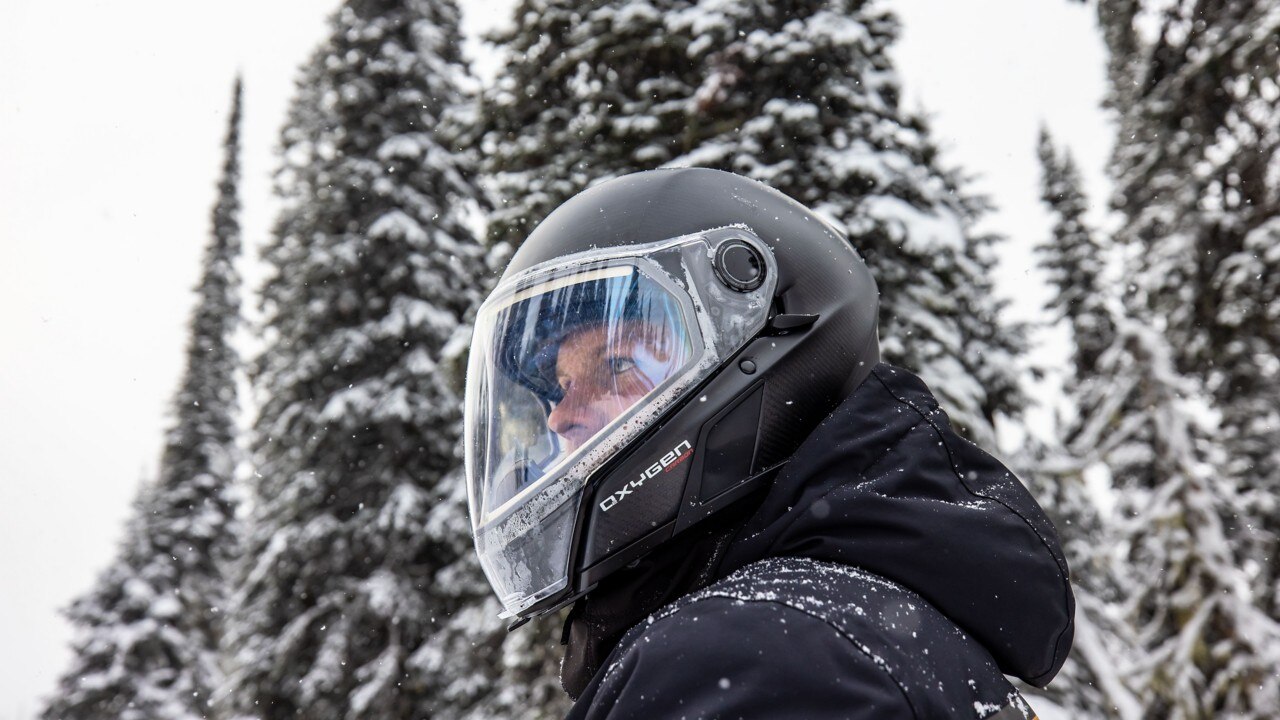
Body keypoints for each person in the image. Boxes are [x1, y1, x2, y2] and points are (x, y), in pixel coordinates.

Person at [463, 168, 1073, 719]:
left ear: (756, 348)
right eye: (562, 386)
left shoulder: (751, 655)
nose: (559, 417)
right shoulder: (847, 632)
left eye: (618, 365)